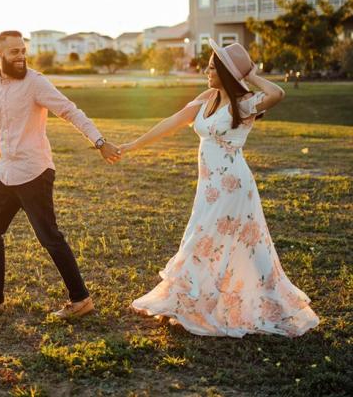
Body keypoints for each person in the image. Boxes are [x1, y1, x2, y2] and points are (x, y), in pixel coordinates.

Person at [120, 39, 319, 337]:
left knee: (214, 240)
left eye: (213, 68)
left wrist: (248, 73)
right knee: (209, 239)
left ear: (227, 72)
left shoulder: (245, 104)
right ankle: (197, 302)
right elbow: (171, 122)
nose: (206, 72)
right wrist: (132, 146)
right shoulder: (207, 98)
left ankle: (241, 303)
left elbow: (277, 93)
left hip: (234, 187)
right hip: (209, 186)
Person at [0, 30, 121, 319]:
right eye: (14, 52)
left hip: (35, 171)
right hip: (5, 173)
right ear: (0, 55)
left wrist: (99, 141)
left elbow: (70, 111)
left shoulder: (35, 83)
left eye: (23, 50)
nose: (21, 56)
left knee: (49, 236)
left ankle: (81, 300)